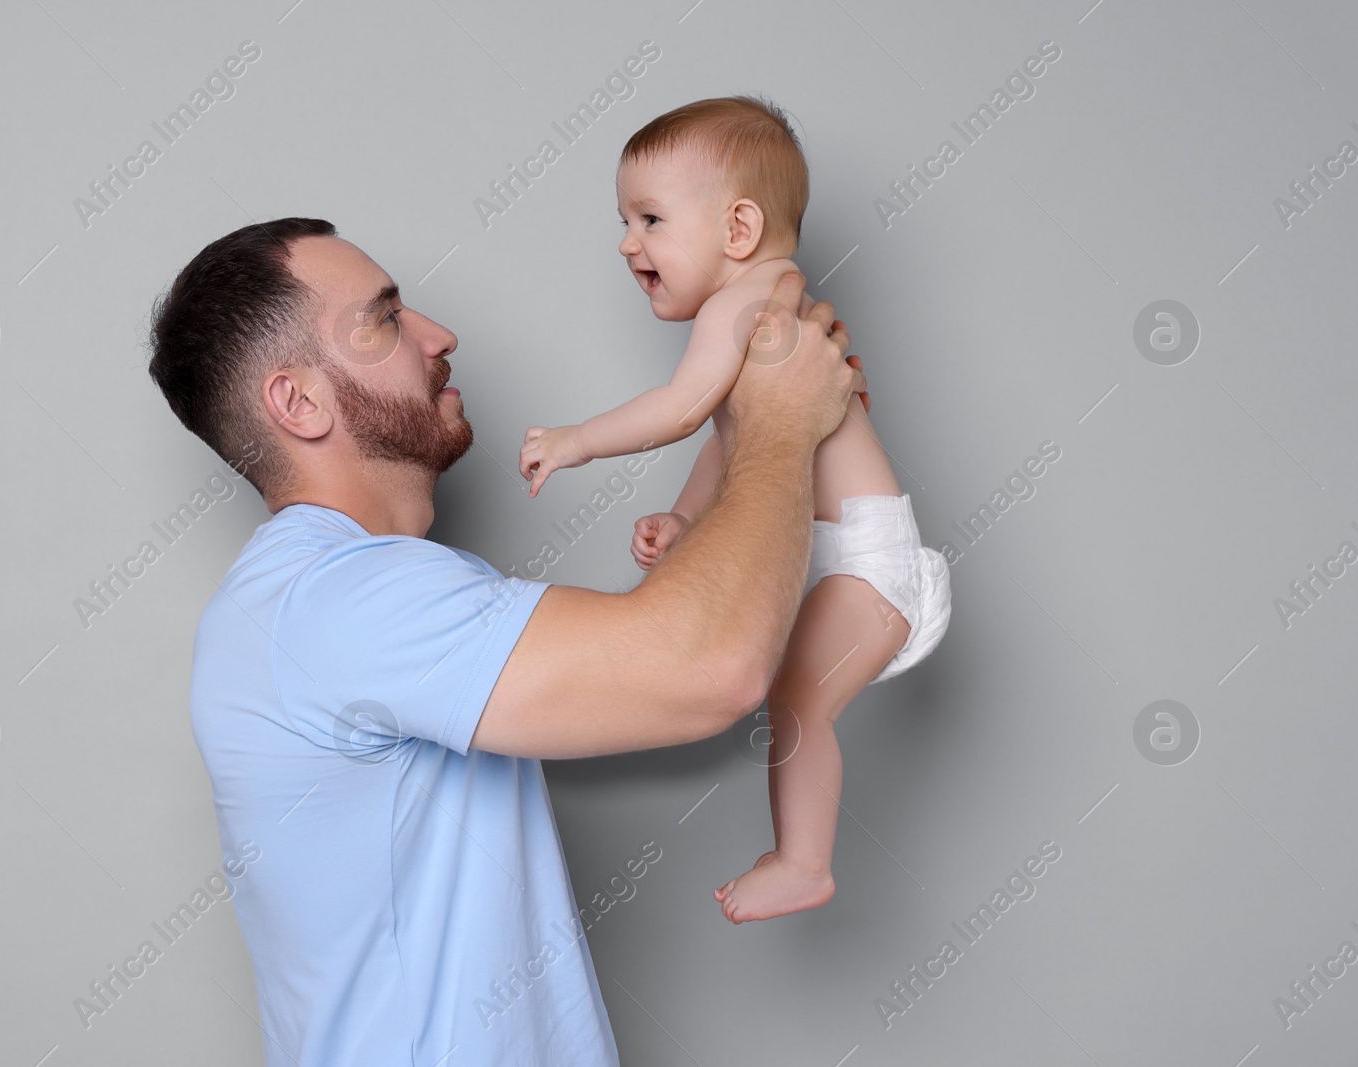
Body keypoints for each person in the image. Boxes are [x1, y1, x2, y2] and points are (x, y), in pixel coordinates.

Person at [147, 215, 865, 1066]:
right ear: (298, 402)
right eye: (385, 318)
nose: (439, 335)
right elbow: (710, 667)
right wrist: (781, 419)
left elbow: (674, 644)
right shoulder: (337, 599)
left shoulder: (322, 600)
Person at [516, 96, 951, 924]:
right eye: (623, 219)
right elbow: (737, 444)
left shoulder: (742, 307)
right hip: (836, 554)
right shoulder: (773, 306)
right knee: (786, 694)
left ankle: (803, 861)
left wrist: (577, 441)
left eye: (648, 218)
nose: (626, 242)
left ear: (738, 229)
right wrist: (685, 520)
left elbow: (682, 410)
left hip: (863, 560)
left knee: (795, 703)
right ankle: (799, 855)